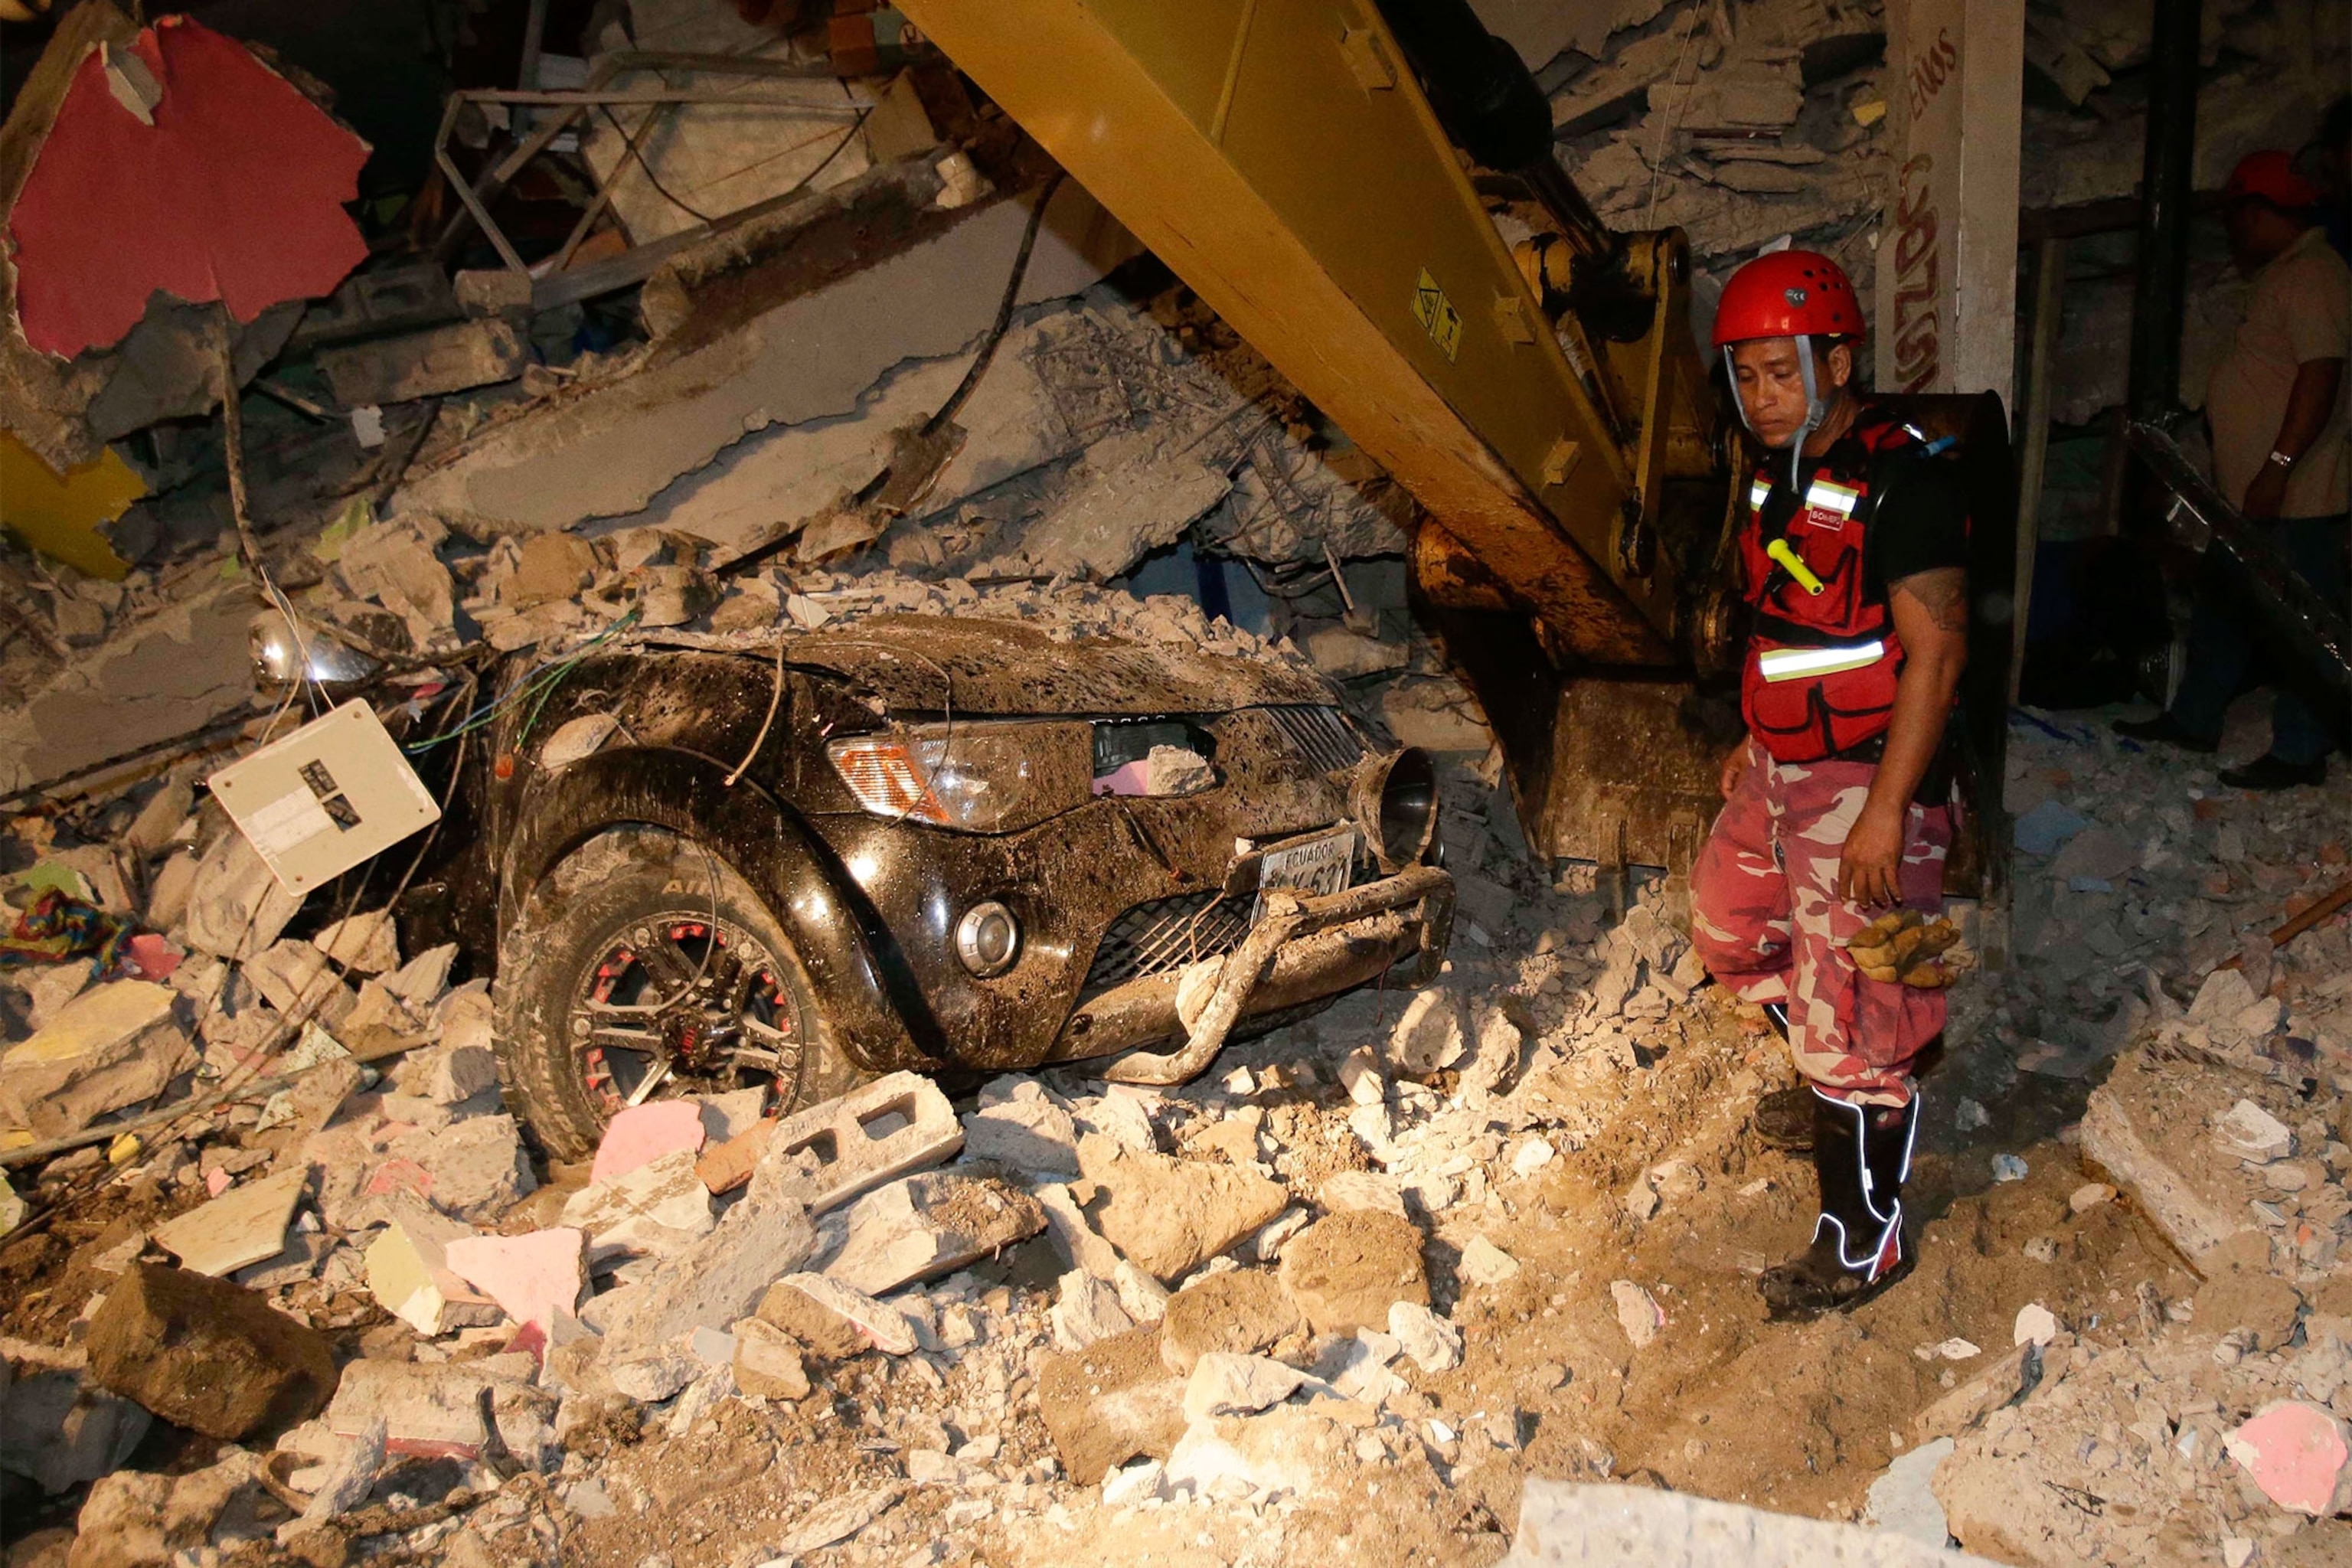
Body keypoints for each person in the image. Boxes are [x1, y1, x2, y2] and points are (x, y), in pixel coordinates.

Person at [1687, 249, 1971, 1322]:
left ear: (1838, 358)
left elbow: (1935, 658)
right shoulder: (1780, 470)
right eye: (1746, 376)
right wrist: (1754, 734)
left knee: (1865, 1008)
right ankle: (1829, 1068)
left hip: (1870, 779)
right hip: (1784, 765)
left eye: (1781, 372)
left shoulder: (1910, 479)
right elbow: (1788, 620)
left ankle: (1866, 1241)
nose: (1762, 397)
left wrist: (1891, 812)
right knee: (1726, 930)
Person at [2113, 150, 2350, 788]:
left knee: (2303, 625)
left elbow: (2320, 374)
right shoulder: (2287, 274)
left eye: (2240, 215)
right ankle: (2195, 718)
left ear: (2263, 211)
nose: (2235, 232)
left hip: (2296, 494)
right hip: (2248, 496)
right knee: (2227, 606)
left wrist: (2277, 465)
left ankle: (2301, 751)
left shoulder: (2313, 277)